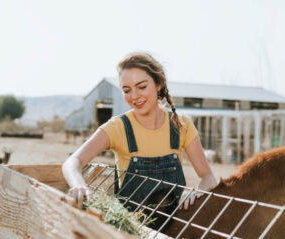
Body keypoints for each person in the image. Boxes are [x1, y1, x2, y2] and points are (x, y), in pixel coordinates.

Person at [62, 52, 218, 212]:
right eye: (127, 90)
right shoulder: (118, 127)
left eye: (142, 87)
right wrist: (78, 184)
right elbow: (72, 162)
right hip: (131, 228)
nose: (134, 96)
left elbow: (208, 177)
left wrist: (195, 193)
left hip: (174, 227)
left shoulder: (180, 124)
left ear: (158, 85)